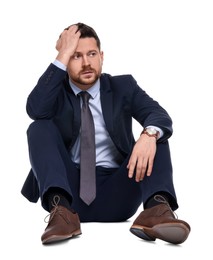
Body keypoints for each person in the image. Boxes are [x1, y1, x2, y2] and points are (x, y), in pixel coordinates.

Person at [21, 22, 190, 245]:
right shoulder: (55, 93)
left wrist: (148, 135)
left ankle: (156, 211)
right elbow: (35, 111)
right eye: (76, 56)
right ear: (65, 60)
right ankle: (60, 214)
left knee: (156, 136)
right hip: (69, 195)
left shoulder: (123, 86)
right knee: (39, 127)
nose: (86, 63)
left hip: (119, 191)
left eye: (92, 54)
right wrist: (62, 53)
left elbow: (158, 115)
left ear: (101, 56)